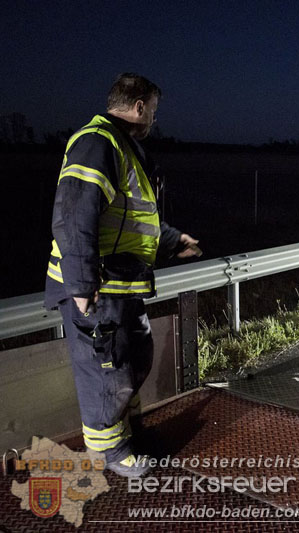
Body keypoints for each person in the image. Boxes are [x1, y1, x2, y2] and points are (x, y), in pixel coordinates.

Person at [44, 73, 201, 477]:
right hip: (97, 289)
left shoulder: (125, 149)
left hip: (123, 287)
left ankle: (129, 432)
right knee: (107, 373)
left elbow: (133, 218)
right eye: (153, 110)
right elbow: (72, 216)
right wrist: (80, 286)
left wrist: (171, 241)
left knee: (136, 360)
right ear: (139, 107)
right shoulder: (96, 143)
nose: (154, 120)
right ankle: (109, 453)